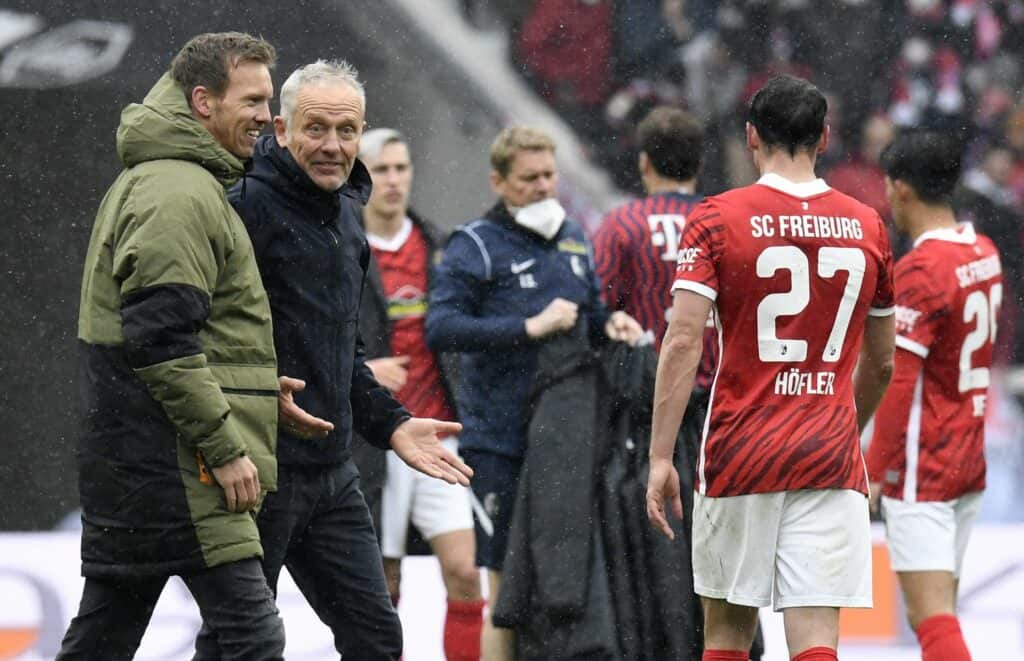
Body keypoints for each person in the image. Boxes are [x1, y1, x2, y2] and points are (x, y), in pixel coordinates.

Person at [193, 60, 473, 660]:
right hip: (254, 472)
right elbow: (187, 336)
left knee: (377, 637)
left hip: (332, 473)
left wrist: (392, 424)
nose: (332, 146)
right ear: (281, 129)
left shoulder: (349, 214)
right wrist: (255, 394)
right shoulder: (240, 208)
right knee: (239, 646)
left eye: (346, 131)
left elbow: (347, 355)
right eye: (315, 129)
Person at [646, 75, 897, 661]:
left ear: (751, 136)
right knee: (816, 641)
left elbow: (683, 339)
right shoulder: (868, 223)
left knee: (729, 637)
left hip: (742, 449)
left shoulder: (717, 217)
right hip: (829, 455)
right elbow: (882, 360)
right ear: (825, 137)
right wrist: (839, 427)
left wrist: (661, 457)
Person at [60, 32, 287, 660]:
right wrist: (224, 446)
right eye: (254, 99)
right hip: (179, 466)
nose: (268, 117)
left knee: (103, 640)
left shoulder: (173, 181)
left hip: (137, 459)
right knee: (252, 639)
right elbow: (160, 340)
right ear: (203, 101)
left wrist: (258, 388)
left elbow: (177, 335)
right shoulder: (178, 193)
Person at [425, 126, 643, 659]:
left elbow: (587, 314)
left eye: (549, 175)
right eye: (529, 179)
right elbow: (442, 328)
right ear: (499, 181)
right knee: (505, 591)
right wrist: (527, 328)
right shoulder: (473, 243)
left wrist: (610, 323)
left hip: (563, 445)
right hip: (498, 441)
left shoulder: (572, 235)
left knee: (559, 583)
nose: (543, 186)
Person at [867, 130, 1003, 661]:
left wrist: (874, 470)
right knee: (941, 611)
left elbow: (898, 380)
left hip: (924, 468)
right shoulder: (983, 252)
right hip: (967, 456)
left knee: (931, 619)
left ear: (900, 189)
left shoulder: (921, 271)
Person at [355, 127, 484, 660]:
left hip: (437, 433)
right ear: (362, 177)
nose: (393, 180)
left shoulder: (436, 245)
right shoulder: (344, 247)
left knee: (465, 571)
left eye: (401, 168)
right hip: (379, 438)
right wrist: (360, 370)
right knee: (382, 586)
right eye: (381, 169)